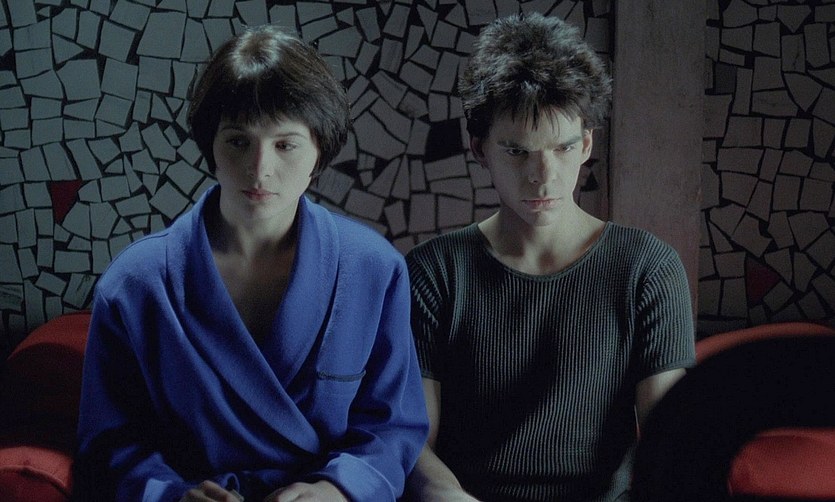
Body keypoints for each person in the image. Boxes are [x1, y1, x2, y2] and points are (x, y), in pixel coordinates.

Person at [75, 24, 428, 502]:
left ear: (319, 151)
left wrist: (338, 489)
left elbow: (392, 426)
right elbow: (109, 443)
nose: (260, 169)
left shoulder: (374, 269)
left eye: (285, 144)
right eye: (238, 141)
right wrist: (170, 495)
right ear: (211, 146)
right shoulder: (135, 284)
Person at [405, 12, 695, 502]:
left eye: (562, 148)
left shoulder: (646, 268)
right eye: (517, 152)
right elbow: (415, 443)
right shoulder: (435, 272)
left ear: (585, 145)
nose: (543, 176)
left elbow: (668, 443)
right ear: (480, 150)